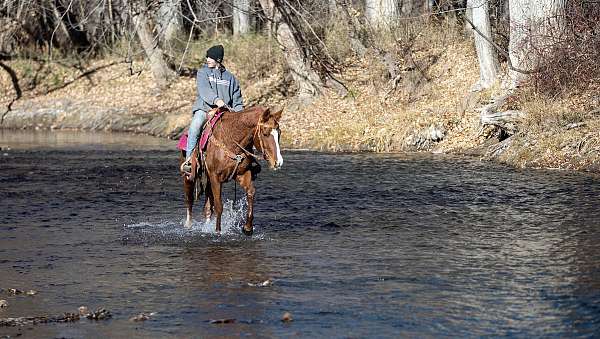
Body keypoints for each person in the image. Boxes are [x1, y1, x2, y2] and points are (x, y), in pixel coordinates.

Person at [181, 44, 244, 173]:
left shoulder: (231, 78)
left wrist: (239, 116)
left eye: (210, 57)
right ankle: (189, 161)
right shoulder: (203, 72)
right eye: (207, 57)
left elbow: (237, 101)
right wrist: (217, 101)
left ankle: (248, 161)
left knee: (245, 131)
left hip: (225, 113)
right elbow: (205, 91)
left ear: (218, 60)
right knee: (195, 126)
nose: (207, 59)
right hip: (204, 110)